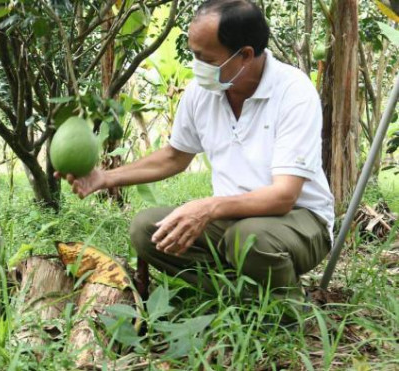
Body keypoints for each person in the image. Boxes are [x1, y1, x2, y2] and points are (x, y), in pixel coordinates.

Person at [57, 0, 334, 301]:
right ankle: (236, 296)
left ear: (245, 55)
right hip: (232, 219)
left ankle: (284, 308)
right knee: (147, 230)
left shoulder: (293, 92)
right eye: (193, 55)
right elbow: (175, 156)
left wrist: (208, 208)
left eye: (206, 58)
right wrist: (104, 178)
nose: (196, 66)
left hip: (299, 220)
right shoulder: (203, 92)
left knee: (249, 238)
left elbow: (284, 196)